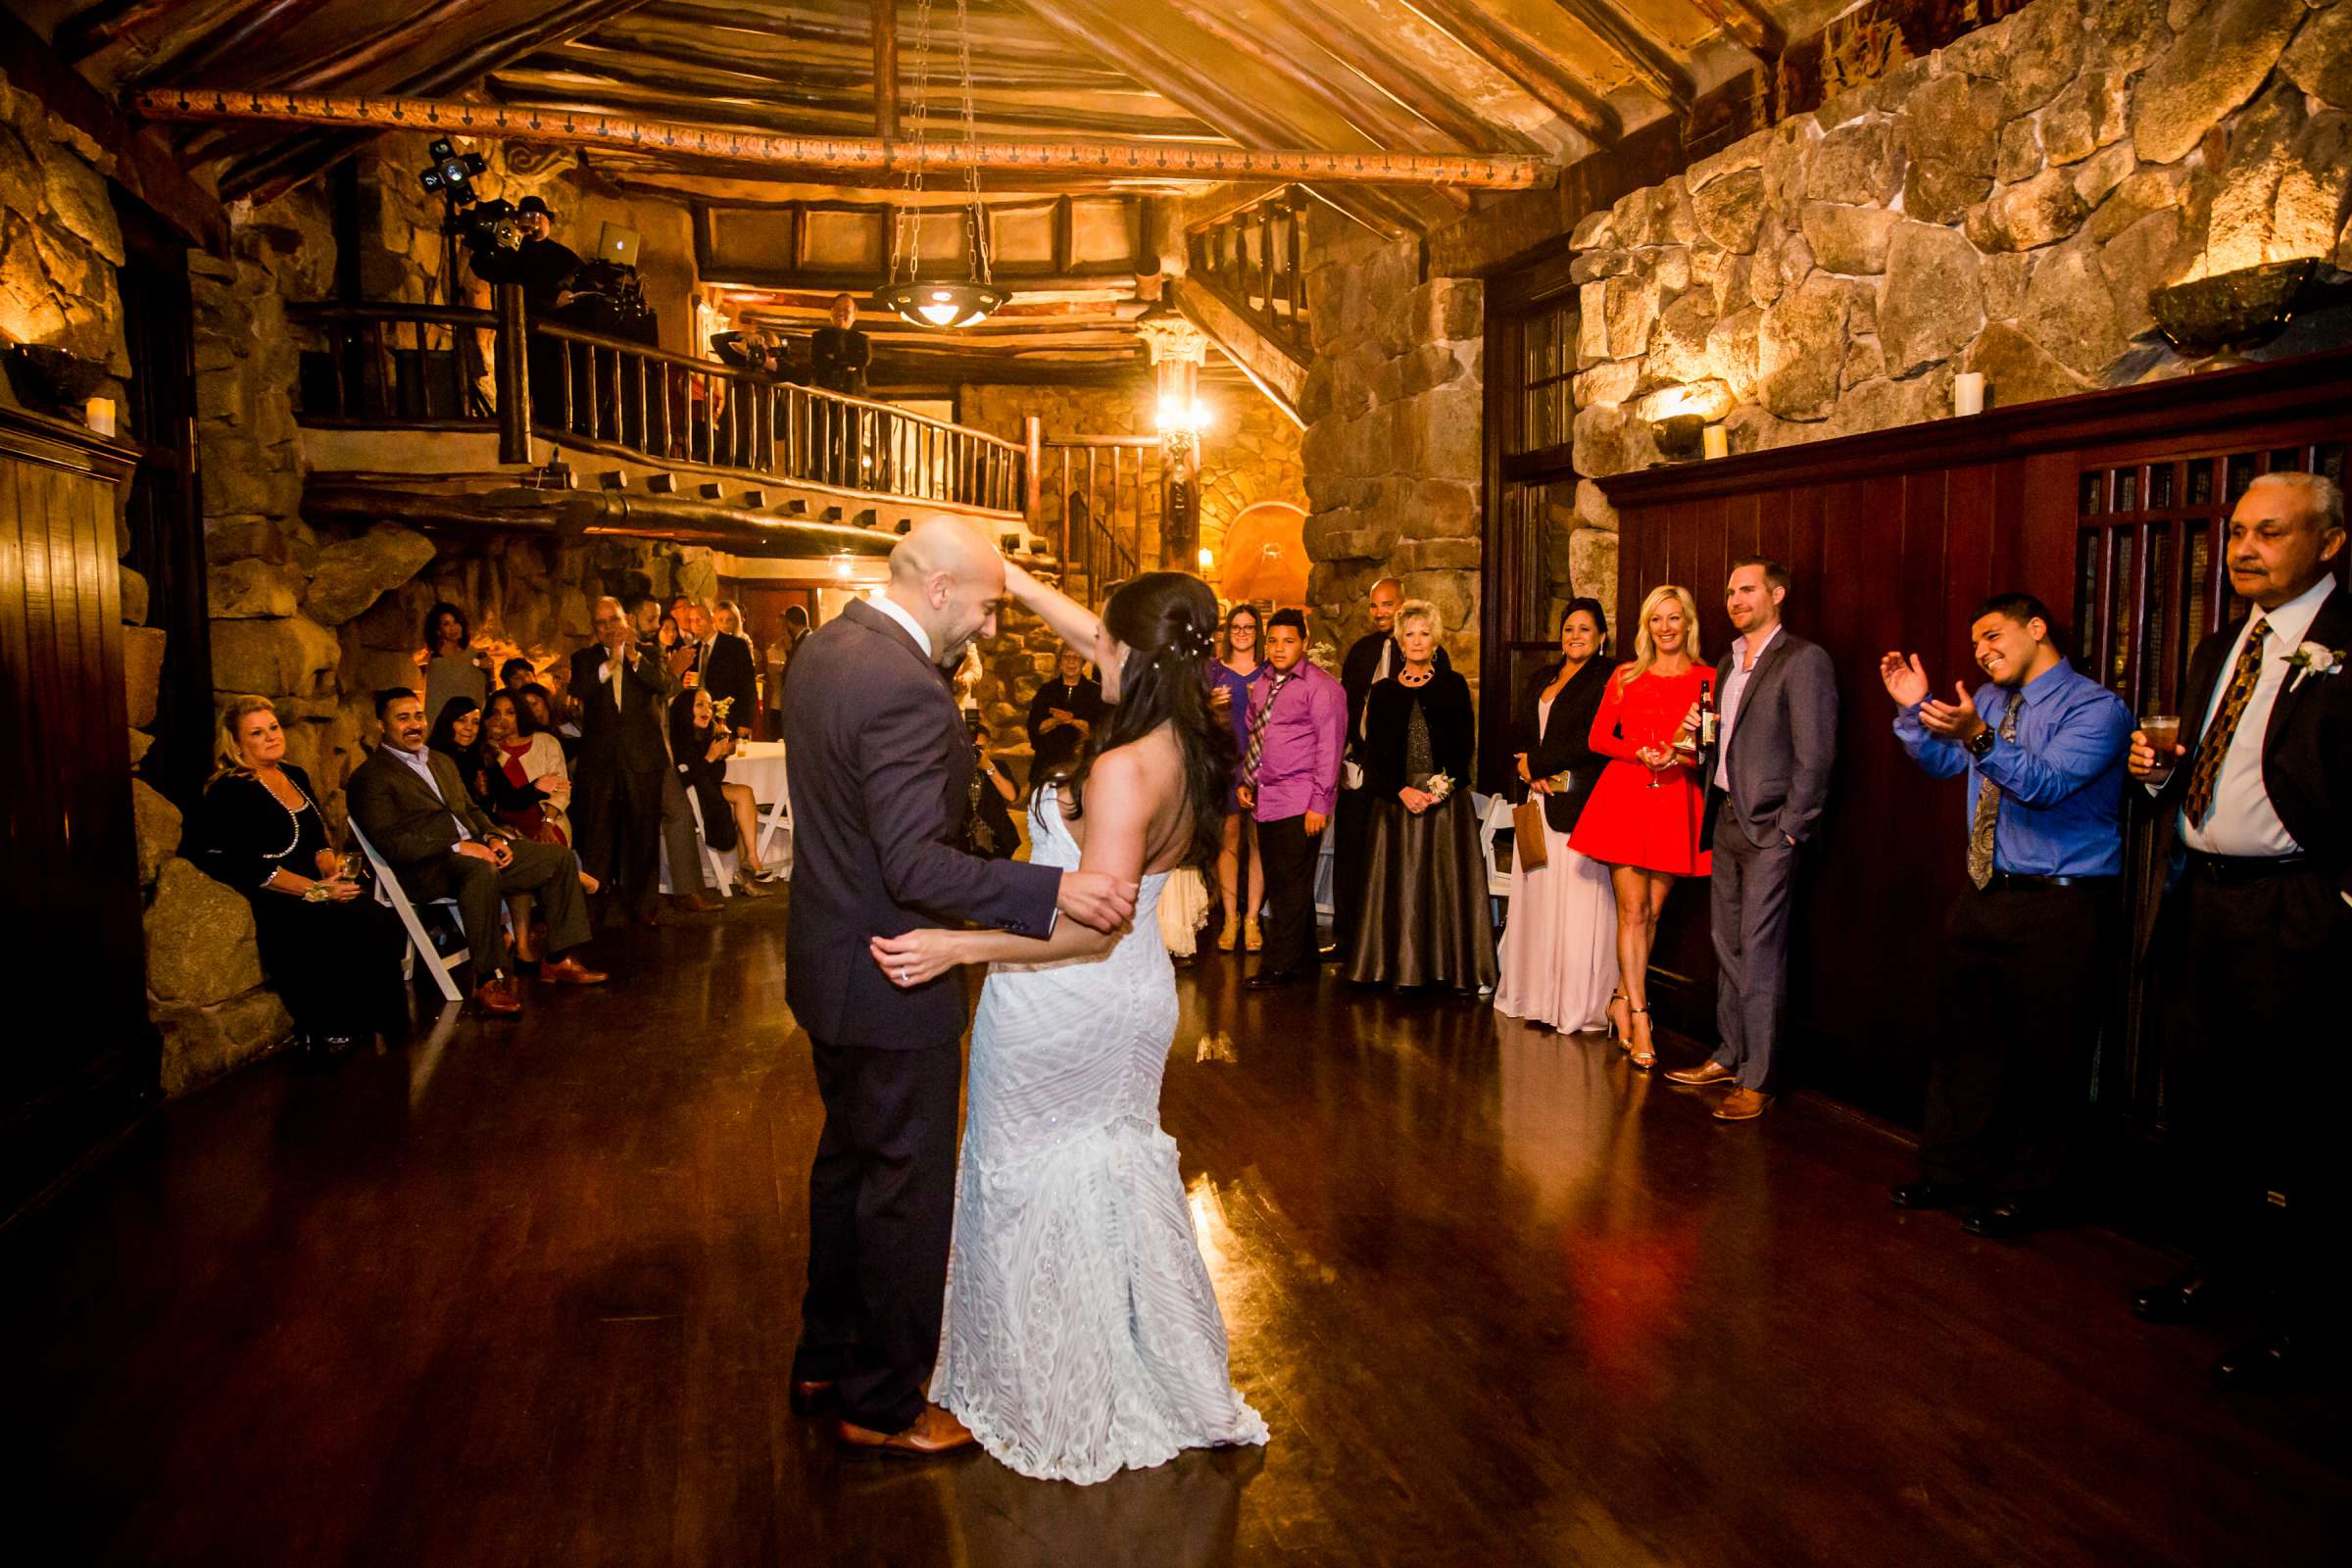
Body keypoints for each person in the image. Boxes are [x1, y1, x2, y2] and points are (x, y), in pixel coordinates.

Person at [870, 564, 1267, 1484]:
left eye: (1104, 643)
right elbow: (1100, 635)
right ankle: (1144, 1356)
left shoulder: (1124, 768)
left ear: (1130, 654)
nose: (1090, 649)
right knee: (1109, 1163)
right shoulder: (1186, 734)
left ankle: (1051, 1381)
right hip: (1134, 1001)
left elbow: (1096, 924)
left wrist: (960, 948)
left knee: (1025, 1174)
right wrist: (1009, 575)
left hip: (1067, 995)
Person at [781, 517, 1137, 1458]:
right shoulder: (905, 689)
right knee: (903, 1191)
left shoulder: (824, 647)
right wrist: (1054, 886)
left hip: (829, 965)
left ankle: (824, 1355)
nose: (988, 627)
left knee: (848, 1168)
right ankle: (886, 1401)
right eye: (984, 605)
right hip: (894, 975)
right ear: (938, 591)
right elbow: (914, 865)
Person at [2126, 470, 2349, 1391]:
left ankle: (2305, 1319)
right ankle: (2215, 1266)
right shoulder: (2224, 643)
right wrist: (2155, 773)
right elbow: (2203, 770)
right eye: (2238, 533)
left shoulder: (2344, 644)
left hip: (2298, 906)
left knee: (2302, 1119)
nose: (2245, 550)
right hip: (2204, 897)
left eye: (2271, 532)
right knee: (2206, 1103)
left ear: (2329, 542)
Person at [1881, 594, 2131, 1239]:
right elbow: (1942, 762)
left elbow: (2044, 783)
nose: (1983, 651)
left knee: (2050, 1054)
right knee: (1966, 1044)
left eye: (1992, 636)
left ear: (2037, 628)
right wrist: (1915, 707)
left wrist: (1978, 737)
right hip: (1985, 889)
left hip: (2062, 901)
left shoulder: (2096, 708)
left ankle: (2032, 1193)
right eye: (1974, 644)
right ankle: (1951, 1171)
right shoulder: (1988, 702)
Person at [1665, 559, 1838, 1122]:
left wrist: (1792, 826)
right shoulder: (1725, 662)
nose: (1735, 599)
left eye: (1747, 590)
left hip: (1770, 829)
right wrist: (1695, 744)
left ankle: (1758, 1077)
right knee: (1727, 943)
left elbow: (1816, 755)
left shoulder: (1804, 660)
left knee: (1761, 953)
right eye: (1731, 591)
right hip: (1726, 819)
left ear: (1777, 594)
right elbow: (1726, 745)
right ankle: (1730, 1052)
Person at [345, 690, 608, 1016]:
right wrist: (457, 846)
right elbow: (391, 842)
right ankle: (487, 981)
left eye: (418, 716)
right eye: (403, 718)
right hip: (428, 867)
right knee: (479, 870)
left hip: (477, 852)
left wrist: (493, 837)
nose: (414, 725)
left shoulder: (439, 760)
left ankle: (556, 960)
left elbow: (469, 808)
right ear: (381, 724)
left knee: (557, 858)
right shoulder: (371, 777)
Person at [193, 698, 405, 1054]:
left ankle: (379, 1019)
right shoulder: (230, 788)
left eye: (273, 728)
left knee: (378, 918)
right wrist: (315, 890)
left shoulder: (295, 775)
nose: (271, 737)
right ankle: (328, 1024)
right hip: (274, 891)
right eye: (257, 733)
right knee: (330, 923)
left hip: (316, 883)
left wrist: (329, 869)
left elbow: (317, 840)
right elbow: (243, 863)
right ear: (237, 742)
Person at [1570, 586, 1711, 1072]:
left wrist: (1683, 753)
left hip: (1676, 797)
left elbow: (1712, 747)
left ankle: (1617, 996)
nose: (1666, 628)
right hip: (1626, 795)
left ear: (1688, 624)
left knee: (1651, 913)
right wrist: (1639, 752)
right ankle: (1640, 1015)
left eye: (1675, 619)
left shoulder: (1708, 678)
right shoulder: (1625, 675)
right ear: (1646, 627)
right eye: (1657, 620)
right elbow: (1597, 737)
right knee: (1632, 912)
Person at [1348, 599, 1495, 994]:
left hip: (1445, 807)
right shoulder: (1382, 693)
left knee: (1445, 884)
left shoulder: (1453, 685)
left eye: (1424, 633)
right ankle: (1400, 970)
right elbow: (1374, 754)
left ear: (1435, 640)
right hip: (1396, 805)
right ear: (1399, 640)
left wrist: (1439, 790)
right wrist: (1401, 791)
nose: (1417, 641)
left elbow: (1465, 746)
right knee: (1401, 885)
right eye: (1409, 634)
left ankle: (1452, 972)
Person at [1494, 599, 1624, 1037]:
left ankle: (1574, 1003)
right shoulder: (1542, 677)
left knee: (1577, 903)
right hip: (1537, 803)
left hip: (1578, 803)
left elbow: (1593, 739)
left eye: (1586, 629)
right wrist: (1525, 766)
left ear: (1602, 636)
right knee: (1539, 899)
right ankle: (1536, 996)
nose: (1575, 636)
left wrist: (1543, 766)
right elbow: (1520, 730)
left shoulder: (1607, 679)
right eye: (1569, 628)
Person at [1335, 578, 1451, 957]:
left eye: (1389, 605)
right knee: (1353, 853)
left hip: (1408, 774)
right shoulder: (1360, 651)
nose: (1381, 612)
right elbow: (1347, 707)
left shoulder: (1430, 653)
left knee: (1399, 859)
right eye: (1374, 606)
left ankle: (1401, 947)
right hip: (1363, 768)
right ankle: (1349, 939)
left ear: (1405, 606)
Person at [1240, 608, 1346, 990]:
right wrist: (1247, 779)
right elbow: (1255, 734)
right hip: (1266, 797)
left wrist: (1320, 803)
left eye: (1288, 641)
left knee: (1288, 887)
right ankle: (1303, 965)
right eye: (1273, 641)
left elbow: (1330, 749)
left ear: (1304, 642)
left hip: (1301, 801)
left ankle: (1276, 966)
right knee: (1286, 882)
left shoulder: (1322, 687)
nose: (1279, 648)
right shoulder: (1265, 682)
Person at [567, 596, 683, 926]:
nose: (609, 628)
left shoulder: (648, 652)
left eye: (614, 620)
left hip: (643, 759)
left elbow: (663, 684)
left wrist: (631, 658)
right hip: (600, 762)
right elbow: (582, 688)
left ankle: (644, 907)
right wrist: (610, 665)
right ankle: (595, 909)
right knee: (598, 835)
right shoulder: (585, 659)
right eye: (601, 623)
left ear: (626, 620)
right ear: (595, 628)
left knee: (644, 834)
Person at [668, 685, 782, 896]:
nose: (708, 710)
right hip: (689, 800)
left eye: (710, 706)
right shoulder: (678, 738)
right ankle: (750, 864)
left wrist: (720, 755)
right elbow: (683, 780)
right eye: (700, 705)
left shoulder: (705, 735)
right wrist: (710, 757)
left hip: (708, 791)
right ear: (686, 708)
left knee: (743, 804)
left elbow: (714, 777)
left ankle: (748, 869)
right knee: (743, 797)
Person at [1206, 603, 1265, 953]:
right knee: (1228, 837)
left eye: (1249, 627)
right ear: (1227, 633)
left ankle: (1253, 917)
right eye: (1236, 627)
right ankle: (1230, 916)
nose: (1242, 633)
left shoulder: (1270, 670)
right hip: (1226, 761)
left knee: (1258, 839)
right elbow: (1192, 716)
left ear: (1257, 632)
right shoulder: (1213, 671)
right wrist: (1210, 705)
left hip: (1262, 764)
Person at [480, 690, 571, 845]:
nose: (502, 718)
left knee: (553, 849)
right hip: (504, 827)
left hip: (546, 820)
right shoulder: (488, 749)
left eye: (510, 712)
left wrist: (547, 824)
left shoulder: (546, 742)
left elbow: (560, 790)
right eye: (496, 713)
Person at [809, 292, 873, 486]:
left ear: (854, 315)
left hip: (854, 402)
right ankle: (820, 480)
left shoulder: (862, 339)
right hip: (824, 401)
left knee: (852, 444)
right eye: (837, 309)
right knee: (822, 441)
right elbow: (817, 362)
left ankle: (852, 483)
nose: (841, 314)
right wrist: (845, 362)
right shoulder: (819, 337)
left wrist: (834, 359)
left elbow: (862, 361)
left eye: (846, 310)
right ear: (831, 313)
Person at [1026, 642, 1104, 781]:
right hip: (1047, 764)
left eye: (1076, 657)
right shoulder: (1046, 690)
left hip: (1082, 765)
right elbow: (1035, 727)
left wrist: (1072, 721)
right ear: (1060, 662)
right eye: (1066, 656)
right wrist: (1056, 720)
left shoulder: (1095, 692)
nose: (1071, 662)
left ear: (1083, 662)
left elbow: (1099, 731)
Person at [687, 597, 760, 734]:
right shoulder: (693, 651)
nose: (695, 624)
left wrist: (745, 722)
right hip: (699, 721)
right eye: (691, 620)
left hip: (727, 718)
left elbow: (748, 686)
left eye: (699, 619)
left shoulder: (736, 646)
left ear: (711, 618)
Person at [961, 709, 1022, 861]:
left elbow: (1011, 795)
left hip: (997, 840)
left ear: (988, 747)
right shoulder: (954, 768)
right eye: (972, 747)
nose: (976, 752)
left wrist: (989, 767)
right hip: (963, 842)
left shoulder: (998, 766)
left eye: (980, 748)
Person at [417, 602, 488, 723]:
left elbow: (484, 693)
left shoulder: (475, 655)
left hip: (475, 723)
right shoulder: (437, 664)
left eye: (456, 622)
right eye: (446, 624)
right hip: (449, 728)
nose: (453, 628)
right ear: (438, 630)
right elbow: (433, 705)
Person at [425, 696, 490, 807]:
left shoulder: (482, 756)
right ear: (448, 722)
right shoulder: (433, 760)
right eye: (461, 720)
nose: (469, 727)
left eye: (475, 722)